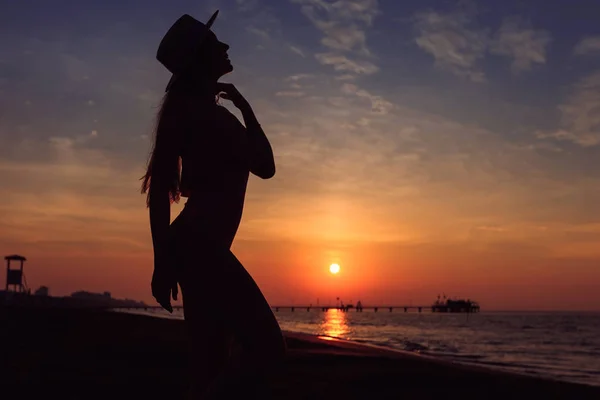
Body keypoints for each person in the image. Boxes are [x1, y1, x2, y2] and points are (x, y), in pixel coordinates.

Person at [140, 11, 286, 398]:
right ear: (204, 58)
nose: (225, 46)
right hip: (202, 247)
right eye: (216, 43)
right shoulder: (216, 120)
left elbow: (158, 195)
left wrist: (162, 258)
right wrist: (247, 110)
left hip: (190, 245)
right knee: (269, 350)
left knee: (210, 361)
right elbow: (267, 166)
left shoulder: (187, 116)